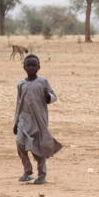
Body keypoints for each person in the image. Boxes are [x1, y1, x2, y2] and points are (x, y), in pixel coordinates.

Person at [13, 54, 62, 184]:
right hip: (24, 120)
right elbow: (19, 103)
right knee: (20, 144)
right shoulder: (21, 84)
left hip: (38, 121)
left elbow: (53, 96)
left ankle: (42, 175)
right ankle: (27, 171)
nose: (31, 67)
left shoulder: (43, 82)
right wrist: (16, 122)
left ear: (38, 67)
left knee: (38, 149)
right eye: (28, 65)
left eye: (34, 65)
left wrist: (47, 96)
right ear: (24, 67)